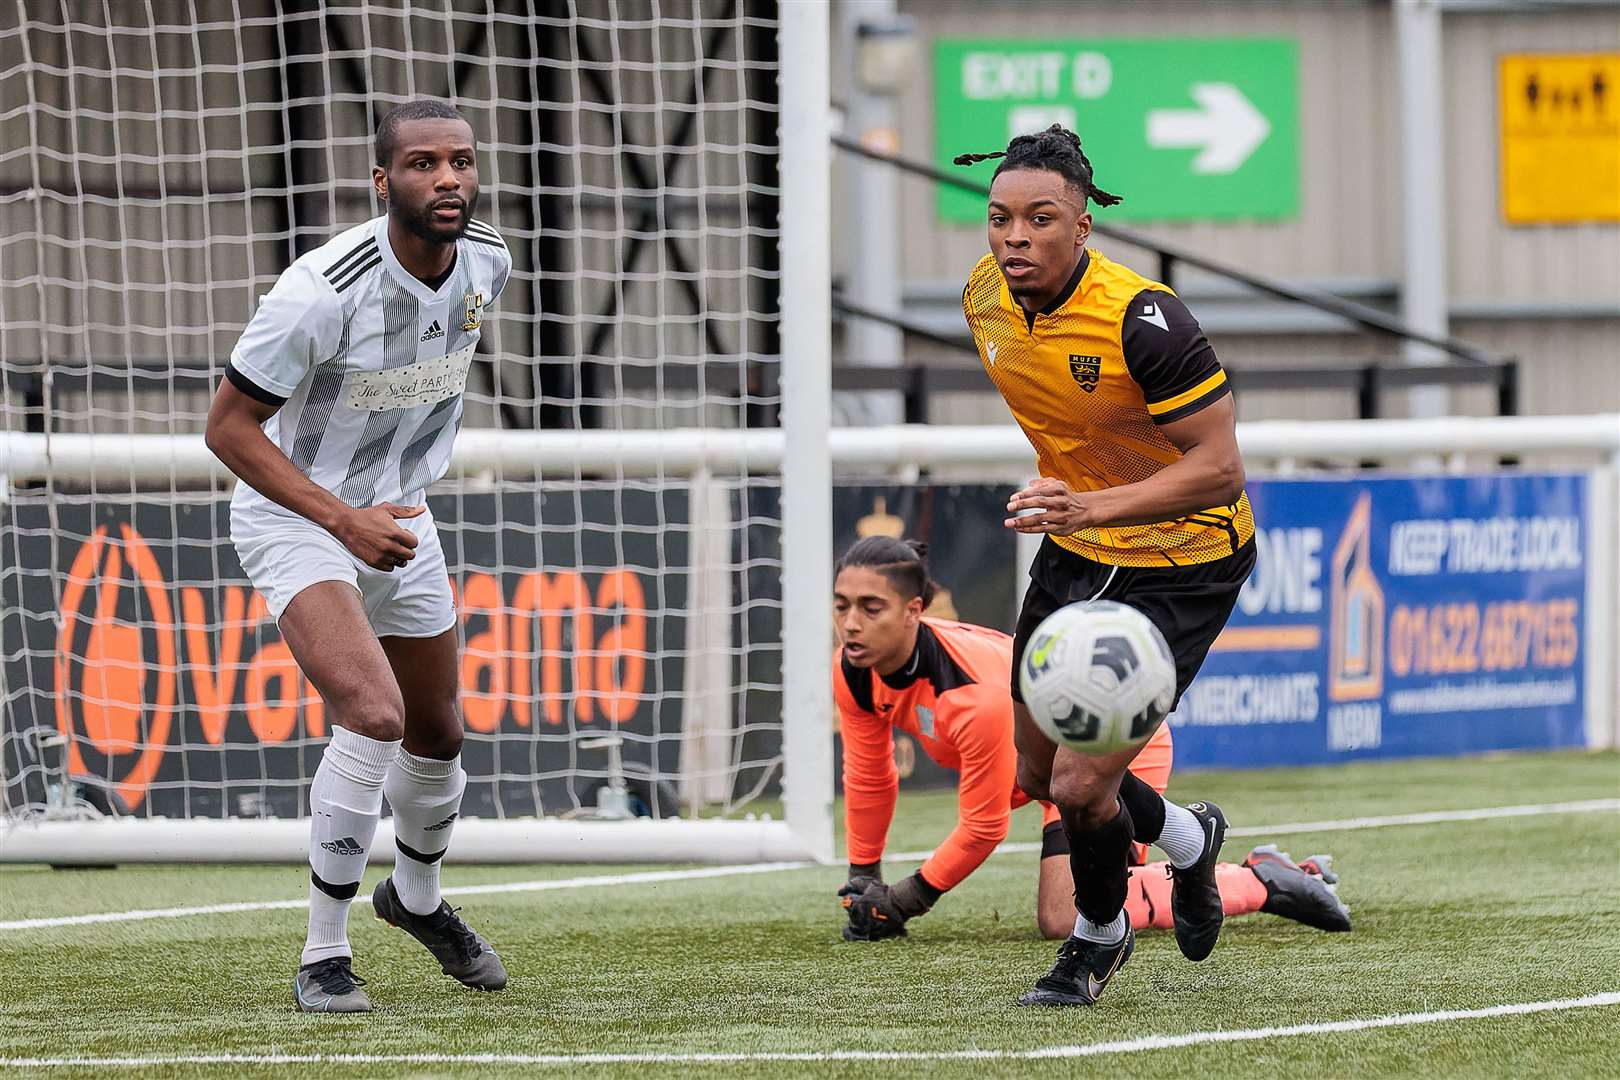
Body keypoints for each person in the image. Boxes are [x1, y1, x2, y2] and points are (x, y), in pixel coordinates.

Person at [205, 99, 513, 1013]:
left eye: (459, 161)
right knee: (374, 715)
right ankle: (322, 955)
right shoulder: (320, 288)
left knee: (440, 731)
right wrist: (342, 520)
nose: (447, 178)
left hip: (402, 517)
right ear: (385, 183)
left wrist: (382, 511)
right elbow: (227, 428)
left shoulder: (489, 260)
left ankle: (415, 900)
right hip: (296, 514)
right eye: (422, 164)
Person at [954, 124, 1258, 1006]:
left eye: (1040, 219)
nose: (1015, 237)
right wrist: (1076, 501)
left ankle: (1097, 937)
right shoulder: (983, 299)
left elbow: (1220, 467)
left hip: (1185, 560)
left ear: (1082, 228)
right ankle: (1193, 844)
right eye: (1000, 218)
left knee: (1088, 784)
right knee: (1039, 774)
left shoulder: (1145, 319)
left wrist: (1092, 501)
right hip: (1079, 551)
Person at [831, 538, 1349, 944]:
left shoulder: (974, 698)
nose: (850, 625)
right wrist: (862, 875)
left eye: (871, 608)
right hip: (1042, 774)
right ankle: (1201, 850)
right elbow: (869, 774)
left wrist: (902, 901)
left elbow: (983, 828)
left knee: (1063, 917)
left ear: (914, 611)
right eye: (842, 606)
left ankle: (1266, 879)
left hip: (1107, 754)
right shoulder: (853, 671)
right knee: (1081, 894)